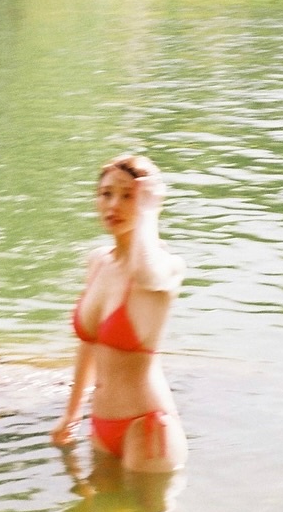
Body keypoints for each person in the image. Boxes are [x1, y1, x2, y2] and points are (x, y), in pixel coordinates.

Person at [50, 153, 186, 472]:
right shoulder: (98, 261)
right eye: (106, 194)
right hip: (100, 427)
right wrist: (72, 413)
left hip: (148, 428)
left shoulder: (166, 267)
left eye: (128, 196)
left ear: (147, 200)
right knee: (93, 507)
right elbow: (89, 344)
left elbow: (144, 273)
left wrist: (150, 211)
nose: (114, 205)